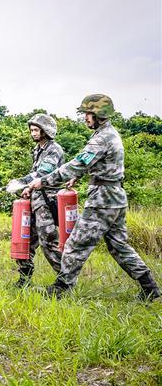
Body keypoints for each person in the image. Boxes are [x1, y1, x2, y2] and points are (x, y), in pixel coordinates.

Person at [28, 94, 161, 301]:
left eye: (88, 114)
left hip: (103, 200)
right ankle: (150, 288)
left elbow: (78, 163)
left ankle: (61, 289)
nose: (85, 118)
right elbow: (91, 164)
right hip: (115, 197)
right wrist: (76, 178)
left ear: (99, 114)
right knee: (119, 246)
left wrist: (43, 181)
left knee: (76, 244)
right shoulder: (107, 135)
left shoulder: (102, 138)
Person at [9, 114, 64, 287]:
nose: (33, 133)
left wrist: (21, 182)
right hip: (35, 201)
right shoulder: (38, 150)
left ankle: (66, 280)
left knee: (49, 242)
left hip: (47, 203)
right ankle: (24, 280)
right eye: (31, 130)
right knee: (25, 242)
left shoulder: (54, 149)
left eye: (36, 130)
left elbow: (42, 173)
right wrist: (27, 188)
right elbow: (35, 180)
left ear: (46, 131)